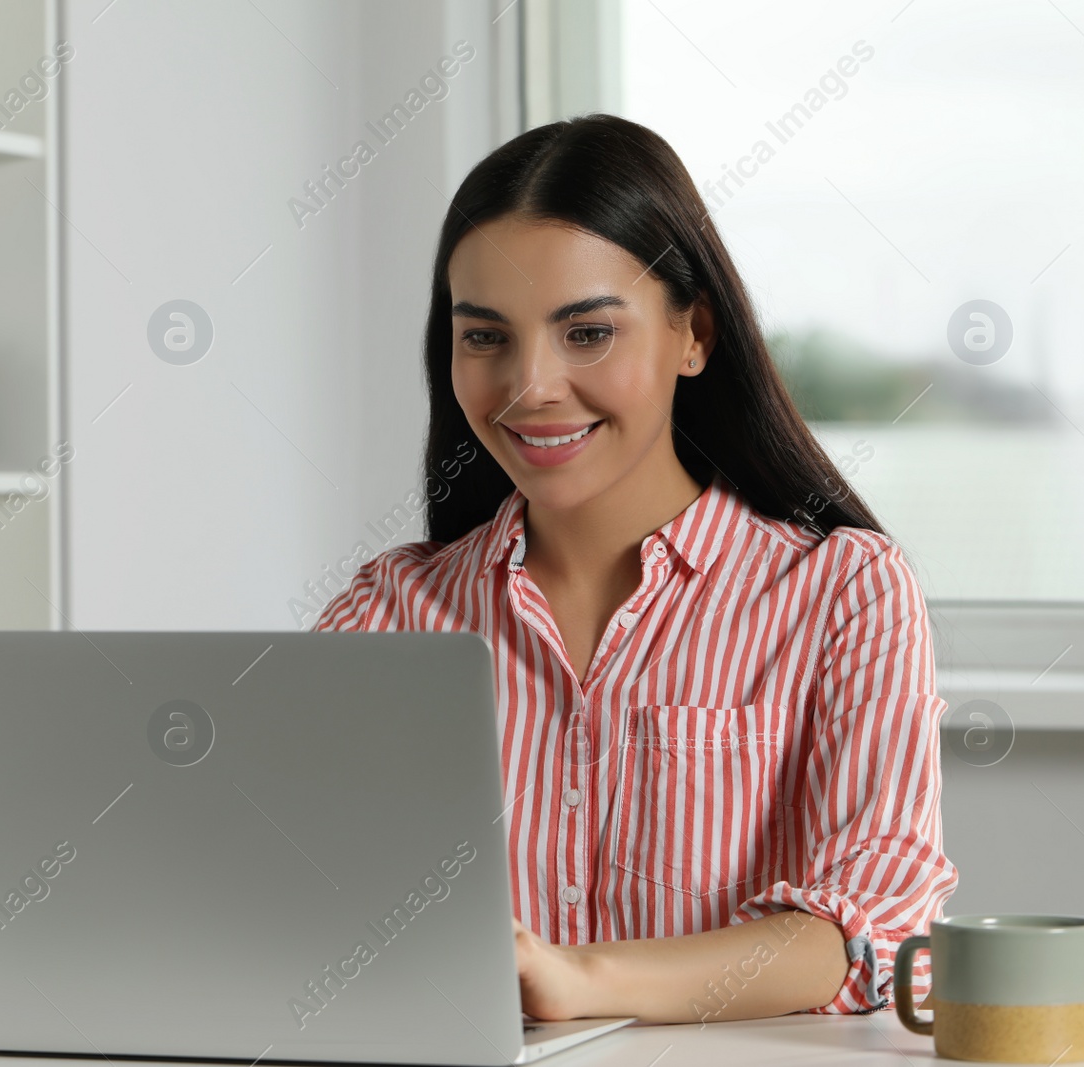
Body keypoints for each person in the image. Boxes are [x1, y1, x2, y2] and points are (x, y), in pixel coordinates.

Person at [313, 114, 955, 1024]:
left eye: (586, 333)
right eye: (486, 337)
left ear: (693, 335)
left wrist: (586, 981)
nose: (530, 385)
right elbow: (287, 900)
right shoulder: (392, 611)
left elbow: (871, 926)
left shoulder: (843, 591)